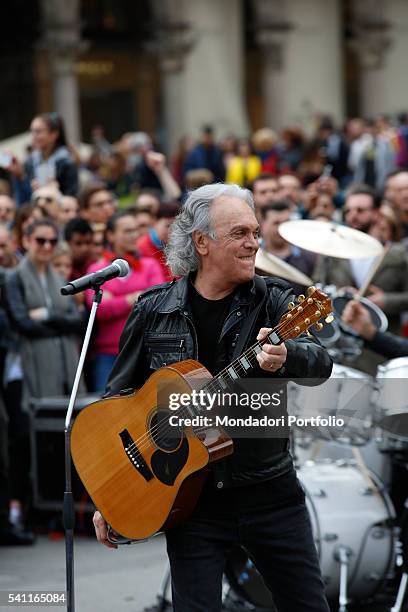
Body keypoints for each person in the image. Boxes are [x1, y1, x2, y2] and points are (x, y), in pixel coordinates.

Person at [93, 183, 332, 612]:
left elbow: (321, 363)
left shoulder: (277, 300)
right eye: (240, 233)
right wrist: (110, 495)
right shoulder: (153, 309)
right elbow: (117, 403)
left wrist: (287, 356)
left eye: (255, 232)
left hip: (269, 493)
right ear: (202, 242)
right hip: (192, 502)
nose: (254, 243)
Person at [85, 211, 165, 391]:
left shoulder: (150, 265)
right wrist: (135, 296)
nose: (133, 235)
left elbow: (158, 302)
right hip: (108, 354)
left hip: (145, 352)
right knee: (105, 411)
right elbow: (100, 309)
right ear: (111, 235)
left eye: (135, 230)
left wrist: (117, 299)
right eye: (127, 231)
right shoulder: (98, 270)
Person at [8, 112, 79, 203]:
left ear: (54, 134)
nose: (33, 136)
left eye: (38, 131)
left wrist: (55, 194)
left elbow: (72, 203)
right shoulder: (29, 162)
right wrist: (19, 176)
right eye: (32, 131)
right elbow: (23, 203)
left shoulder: (67, 163)